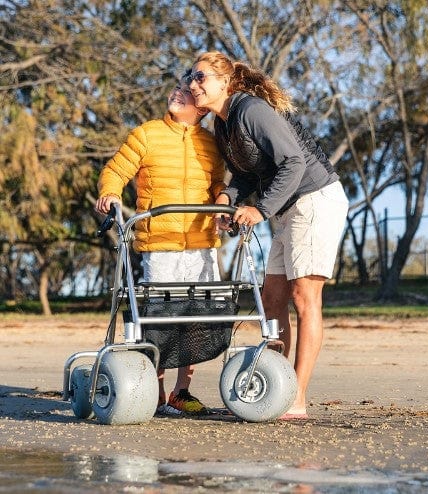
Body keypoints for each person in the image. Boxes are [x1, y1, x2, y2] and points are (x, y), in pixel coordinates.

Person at [186, 52, 348, 420]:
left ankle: (297, 399)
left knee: (304, 297)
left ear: (225, 83)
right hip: (286, 207)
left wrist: (260, 210)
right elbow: (247, 173)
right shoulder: (223, 125)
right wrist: (228, 198)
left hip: (315, 200)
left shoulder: (251, 110)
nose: (192, 84)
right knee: (271, 298)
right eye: (189, 77)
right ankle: (276, 390)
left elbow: (293, 162)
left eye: (200, 77)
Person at [95, 71, 226, 416]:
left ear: (201, 108)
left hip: (201, 244)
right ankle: (155, 390)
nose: (178, 94)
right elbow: (117, 169)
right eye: (177, 89)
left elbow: (218, 186)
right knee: (160, 317)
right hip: (160, 243)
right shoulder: (147, 134)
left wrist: (223, 207)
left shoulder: (211, 143)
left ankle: (181, 393)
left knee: (198, 316)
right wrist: (109, 191)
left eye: (187, 92)